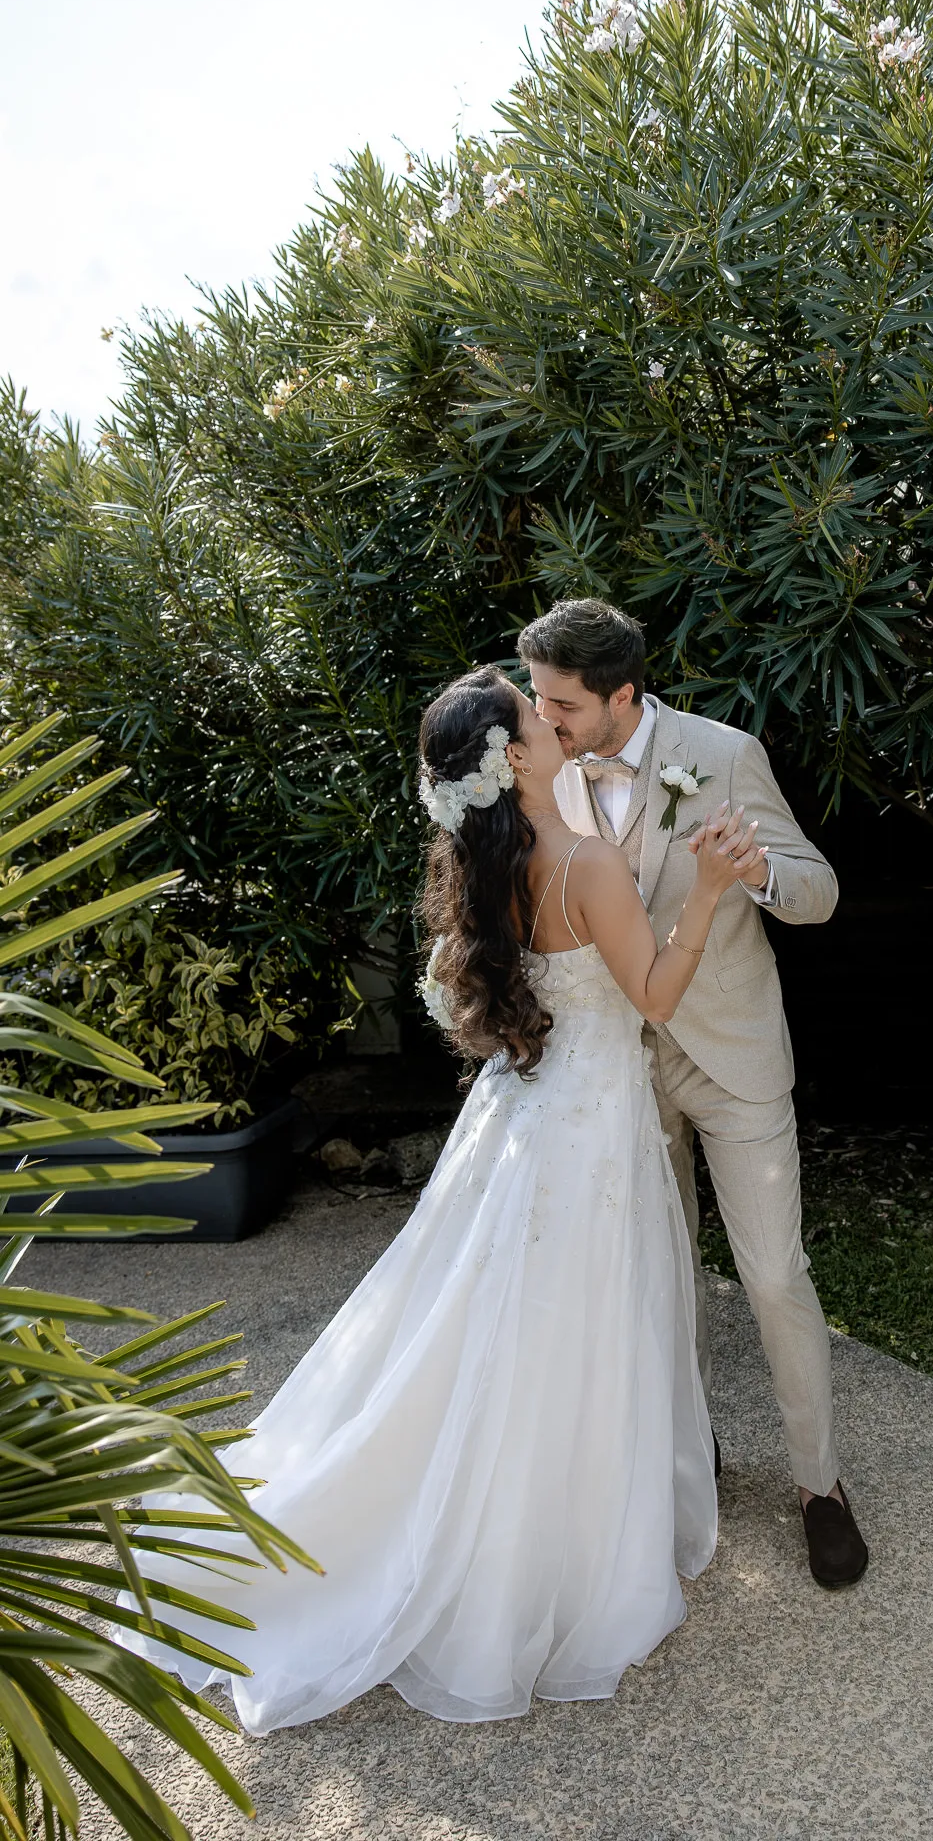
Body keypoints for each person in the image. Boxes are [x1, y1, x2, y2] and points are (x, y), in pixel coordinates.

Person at [113, 665, 760, 1730]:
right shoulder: (586, 862)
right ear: (514, 759)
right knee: (573, 1327)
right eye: (535, 717)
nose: (551, 722)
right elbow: (652, 996)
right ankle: (548, 1546)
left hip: (519, 1115)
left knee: (486, 1323)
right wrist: (708, 895)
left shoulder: (488, 861)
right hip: (587, 1128)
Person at [517, 598, 868, 1588]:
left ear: (624, 695)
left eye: (561, 704)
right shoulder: (542, 766)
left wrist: (757, 871)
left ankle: (819, 1484)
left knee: (773, 1276)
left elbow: (818, 889)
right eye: (538, 698)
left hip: (732, 1057)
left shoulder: (722, 754)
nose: (542, 719)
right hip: (618, 1066)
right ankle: (689, 1451)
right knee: (661, 1277)